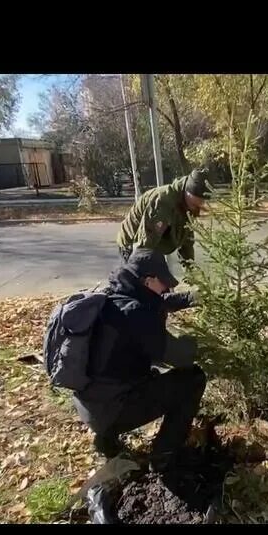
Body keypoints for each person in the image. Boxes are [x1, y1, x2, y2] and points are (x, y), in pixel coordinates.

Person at [72, 247, 204, 472]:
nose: (168, 287)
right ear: (149, 281)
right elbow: (180, 356)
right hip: (111, 410)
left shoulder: (115, 296)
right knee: (193, 380)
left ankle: (106, 441)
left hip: (88, 404)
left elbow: (160, 302)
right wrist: (207, 343)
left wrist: (193, 298)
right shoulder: (138, 314)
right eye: (163, 282)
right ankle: (164, 456)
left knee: (142, 374)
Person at [116, 168, 212, 267]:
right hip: (133, 245)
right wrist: (144, 272)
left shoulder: (188, 205)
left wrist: (190, 271)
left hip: (154, 247)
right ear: (187, 191)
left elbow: (186, 239)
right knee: (139, 279)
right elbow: (145, 244)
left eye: (202, 201)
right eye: (196, 200)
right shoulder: (163, 202)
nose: (200, 204)